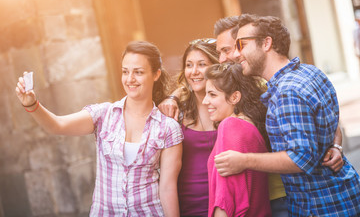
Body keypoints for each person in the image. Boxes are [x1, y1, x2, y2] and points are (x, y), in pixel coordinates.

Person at [15, 41, 183, 216]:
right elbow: (57, 125)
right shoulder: (104, 114)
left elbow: (167, 189)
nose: (130, 79)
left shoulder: (168, 128)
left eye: (138, 72)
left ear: (156, 74)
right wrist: (32, 104)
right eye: (125, 71)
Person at [214, 14, 360, 216]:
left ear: (266, 43)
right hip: (343, 194)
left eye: (242, 45)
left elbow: (300, 159)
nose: (237, 54)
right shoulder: (310, 72)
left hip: (322, 207)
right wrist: (335, 144)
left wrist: (243, 160)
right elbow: (328, 119)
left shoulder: (287, 92)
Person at [203, 62, 271, 217]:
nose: (205, 101)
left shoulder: (230, 125)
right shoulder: (249, 125)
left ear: (235, 97)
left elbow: (225, 197)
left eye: (212, 95)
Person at [175, 38, 219, 216]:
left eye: (202, 64)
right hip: (189, 204)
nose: (194, 72)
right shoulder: (177, 111)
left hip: (227, 202)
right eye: (189, 65)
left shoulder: (230, 106)